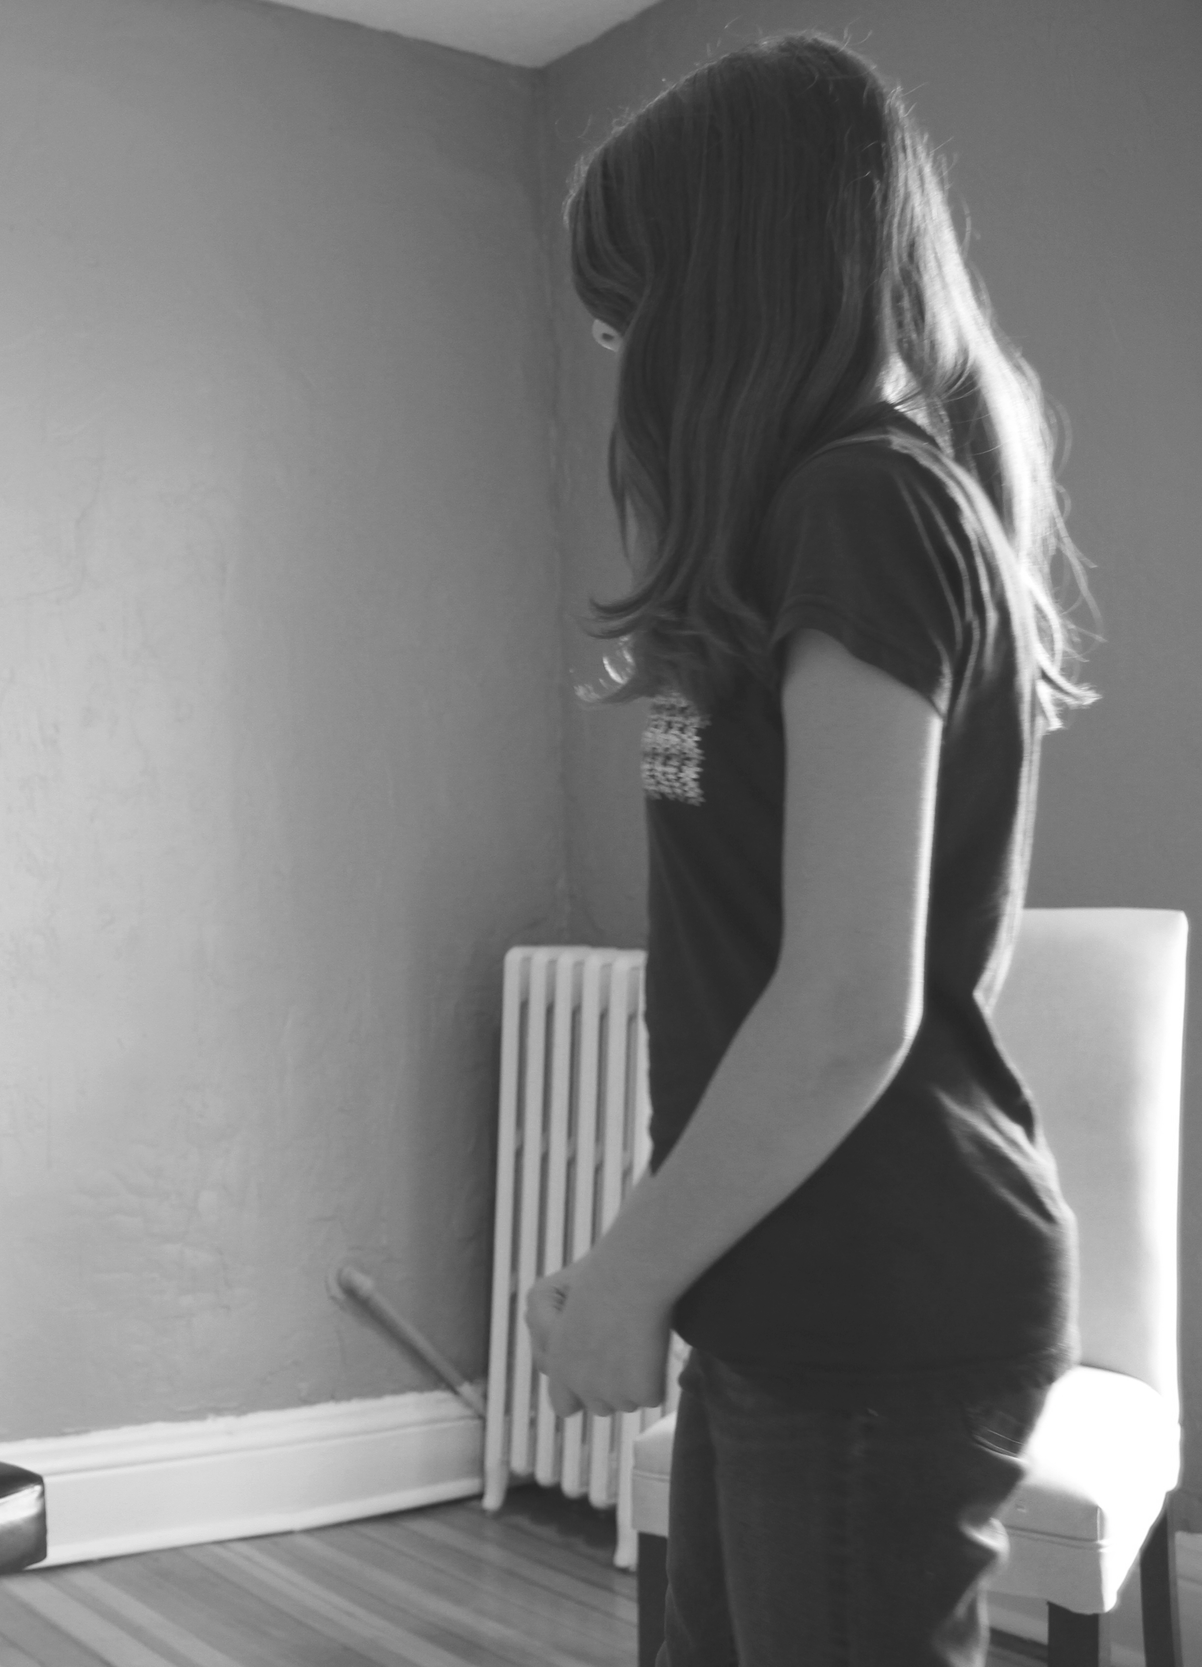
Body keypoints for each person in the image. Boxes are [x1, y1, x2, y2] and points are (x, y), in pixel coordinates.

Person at [524, 35, 1092, 1667]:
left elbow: (852, 1002)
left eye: (630, 313)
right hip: (793, 1281)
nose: (621, 361)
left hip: (875, 1295)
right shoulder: (820, 520)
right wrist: (671, 1257)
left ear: (728, 293)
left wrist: (626, 1273)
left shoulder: (866, 508)